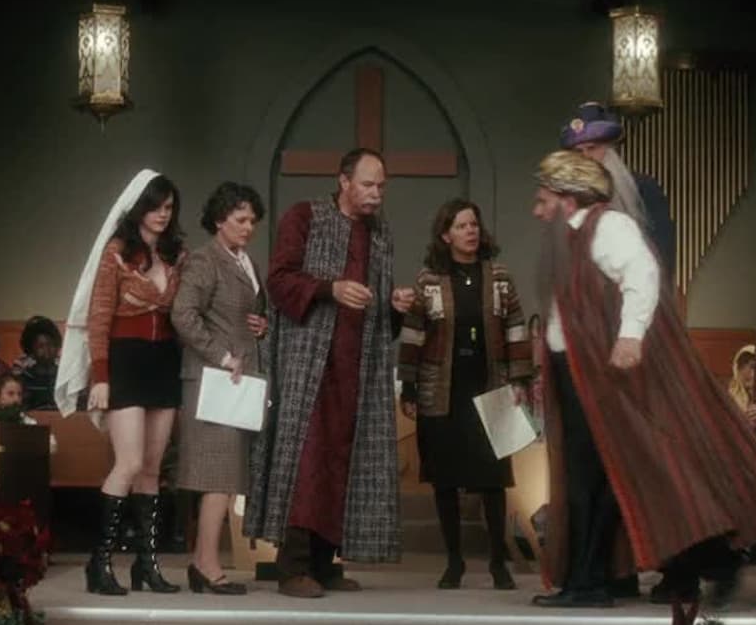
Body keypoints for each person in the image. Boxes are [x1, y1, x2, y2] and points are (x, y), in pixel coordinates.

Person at [529, 151, 756, 607]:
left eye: (544, 200)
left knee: (612, 473)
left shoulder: (608, 227)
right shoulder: (567, 239)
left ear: (568, 199)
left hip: (606, 373)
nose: (537, 210)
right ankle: (599, 577)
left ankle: (615, 577)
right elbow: (564, 314)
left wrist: (629, 336)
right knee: (594, 474)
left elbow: (642, 274)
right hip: (577, 371)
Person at [245, 148, 415, 598]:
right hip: (310, 362)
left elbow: (379, 313)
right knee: (307, 461)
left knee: (344, 461)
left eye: (381, 186)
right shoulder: (305, 217)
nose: (376, 194)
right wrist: (329, 289)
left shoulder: (380, 233)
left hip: (359, 366)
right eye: (368, 184)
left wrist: (394, 306)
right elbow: (279, 281)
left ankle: (325, 562)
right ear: (343, 181)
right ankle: (293, 566)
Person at [56, 171, 186, 596]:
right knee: (127, 464)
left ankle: (147, 565)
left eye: (169, 207)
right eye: (155, 207)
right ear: (138, 208)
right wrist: (101, 377)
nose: (162, 215)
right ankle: (100, 562)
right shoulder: (116, 252)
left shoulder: (176, 254)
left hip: (165, 361)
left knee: (152, 470)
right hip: (125, 361)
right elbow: (98, 319)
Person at [398, 199, 532, 590]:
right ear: (446, 235)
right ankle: (454, 562)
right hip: (442, 391)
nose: (470, 231)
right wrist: (409, 386)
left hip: (490, 386)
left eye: (473, 224)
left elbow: (516, 327)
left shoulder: (499, 276)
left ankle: (498, 564)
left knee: (493, 479)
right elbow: (413, 335)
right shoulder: (428, 280)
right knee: (445, 479)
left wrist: (520, 380)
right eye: (461, 226)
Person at [171, 182, 271, 596]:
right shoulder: (204, 259)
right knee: (217, 475)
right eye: (240, 219)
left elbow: (245, 314)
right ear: (219, 220)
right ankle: (207, 564)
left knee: (227, 476)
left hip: (236, 380)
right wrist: (222, 355)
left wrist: (261, 326)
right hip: (214, 380)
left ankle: (204, 562)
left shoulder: (245, 261)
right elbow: (182, 314)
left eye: (253, 220)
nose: (249, 227)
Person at [559, 101, 676, 283]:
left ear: (609, 149)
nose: (586, 157)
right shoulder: (568, 199)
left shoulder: (643, 188)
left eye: (592, 148)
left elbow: (662, 253)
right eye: (578, 152)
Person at [14, 315, 62, 410]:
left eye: (50, 344)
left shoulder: (64, 375)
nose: (47, 350)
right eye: (41, 346)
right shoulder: (25, 376)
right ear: (32, 349)